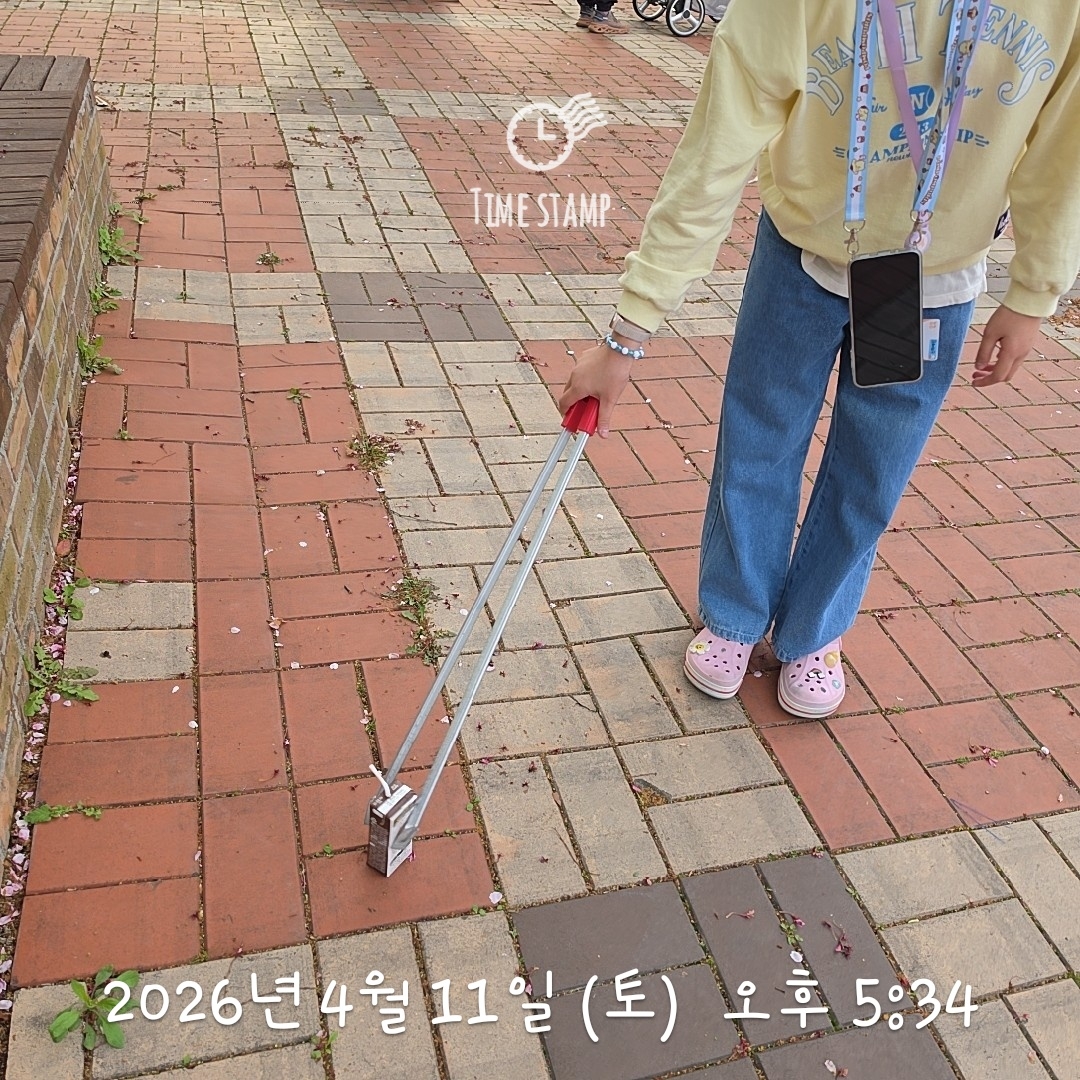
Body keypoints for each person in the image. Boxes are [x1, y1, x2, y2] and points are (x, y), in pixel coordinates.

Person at [558, 0, 1080, 718]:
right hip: (805, 255)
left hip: (924, 277)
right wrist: (630, 329)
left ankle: (815, 628)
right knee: (761, 437)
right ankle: (736, 612)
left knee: (873, 463)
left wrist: (1034, 292)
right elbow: (718, 144)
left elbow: (1064, 145)